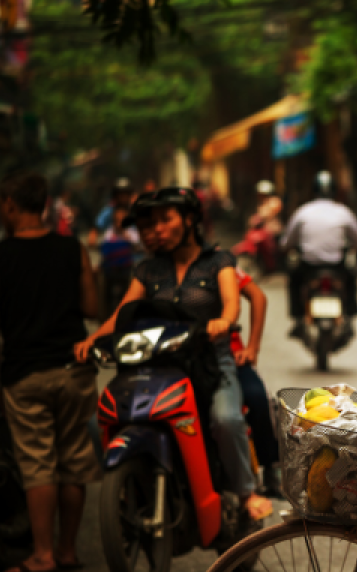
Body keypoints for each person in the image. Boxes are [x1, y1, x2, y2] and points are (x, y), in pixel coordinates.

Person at [74, 187, 273, 522]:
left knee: (226, 420)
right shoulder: (148, 271)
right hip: (157, 363)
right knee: (100, 422)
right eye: (152, 223)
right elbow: (122, 312)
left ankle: (245, 492)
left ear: (190, 219)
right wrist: (93, 339)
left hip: (210, 361)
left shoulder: (218, 261)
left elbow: (232, 303)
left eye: (166, 219)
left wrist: (224, 322)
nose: (158, 229)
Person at [0, 171, 102, 572]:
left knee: (37, 464)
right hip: (73, 369)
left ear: (10, 205)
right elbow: (91, 307)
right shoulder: (73, 249)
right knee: (73, 461)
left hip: (25, 373)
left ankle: (43, 554)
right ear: (45, 204)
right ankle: (67, 550)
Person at [281, 171, 357, 339]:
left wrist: (288, 248)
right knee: (351, 281)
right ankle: (349, 317)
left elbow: (287, 242)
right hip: (336, 266)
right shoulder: (343, 212)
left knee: (294, 282)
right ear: (334, 191)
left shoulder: (303, 212)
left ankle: (298, 320)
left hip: (309, 265)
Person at [229, 266, 281, 497]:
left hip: (228, 357)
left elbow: (257, 296)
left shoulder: (220, 263)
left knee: (258, 398)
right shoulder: (152, 270)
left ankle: (271, 466)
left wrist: (252, 348)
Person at [96, 206, 143, 318]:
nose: (119, 222)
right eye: (116, 219)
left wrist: (129, 240)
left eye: (122, 219)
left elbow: (138, 247)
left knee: (125, 294)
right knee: (107, 296)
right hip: (110, 270)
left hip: (126, 270)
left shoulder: (131, 233)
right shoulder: (109, 233)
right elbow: (103, 251)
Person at [89, 177, 133, 247]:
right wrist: (93, 242)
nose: (123, 197)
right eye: (120, 194)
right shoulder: (108, 211)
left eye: (125, 194)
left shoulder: (134, 211)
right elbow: (96, 228)